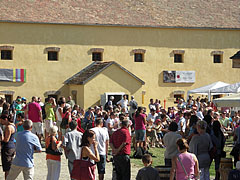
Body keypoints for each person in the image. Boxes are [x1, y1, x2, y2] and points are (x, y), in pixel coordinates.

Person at [1, 114, 16, 179]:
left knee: (7, 168)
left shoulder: (8, 127)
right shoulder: (13, 125)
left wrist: (1, 136)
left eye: (1, 120)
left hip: (7, 148)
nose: (1, 122)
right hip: (12, 146)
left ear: (5, 119)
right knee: (10, 166)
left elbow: (6, 139)